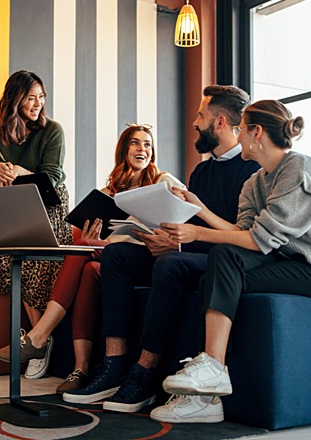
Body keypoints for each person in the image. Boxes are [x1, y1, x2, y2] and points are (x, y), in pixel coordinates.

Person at [150, 99, 311, 423]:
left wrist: (197, 233)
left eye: (242, 128)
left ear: (256, 132)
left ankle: (211, 369)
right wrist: (200, 210)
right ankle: (206, 398)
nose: (236, 135)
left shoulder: (300, 170)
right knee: (214, 275)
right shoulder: (255, 182)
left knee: (223, 258)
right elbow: (243, 231)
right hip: (290, 263)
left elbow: (257, 240)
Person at [62, 85, 261, 415]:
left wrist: (178, 245)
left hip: (223, 261)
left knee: (170, 264)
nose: (195, 122)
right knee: (117, 256)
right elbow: (185, 222)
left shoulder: (251, 171)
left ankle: (144, 374)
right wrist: (164, 238)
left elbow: (241, 237)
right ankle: (113, 365)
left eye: (201, 115)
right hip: (187, 251)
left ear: (221, 121)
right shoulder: (201, 171)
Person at [0, 123, 185, 385]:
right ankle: (80, 369)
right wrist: (91, 241)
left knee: (86, 255)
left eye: (148, 144)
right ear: (124, 151)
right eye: (135, 143)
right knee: (87, 266)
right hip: (111, 260)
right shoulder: (108, 194)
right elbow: (95, 238)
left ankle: (39, 336)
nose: (142, 149)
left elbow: (185, 218)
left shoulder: (163, 181)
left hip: (150, 257)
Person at [0, 70, 73, 379]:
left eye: (41, 97)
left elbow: (52, 177)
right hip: (14, 201)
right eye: (31, 97)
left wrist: (18, 170)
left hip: (48, 204)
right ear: (14, 100)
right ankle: (38, 340)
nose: (37, 103)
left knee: (31, 259)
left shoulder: (52, 130)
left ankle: (37, 339)